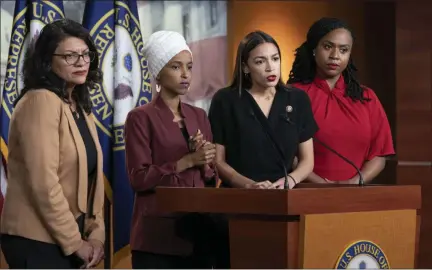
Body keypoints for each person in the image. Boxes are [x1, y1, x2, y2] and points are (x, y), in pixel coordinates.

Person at [0, 19, 105, 268]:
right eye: (70, 56)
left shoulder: (78, 105)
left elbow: (93, 181)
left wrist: (97, 235)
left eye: (85, 54)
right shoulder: (40, 101)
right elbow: (43, 183)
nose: (81, 62)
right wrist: (75, 242)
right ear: (47, 61)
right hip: (37, 240)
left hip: (68, 237)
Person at [124, 30, 220, 269]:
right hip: (158, 238)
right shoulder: (140, 118)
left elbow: (211, 177)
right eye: (176, 67)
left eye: (189, 67)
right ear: (158, 72)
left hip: (199, 233)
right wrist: (186, 161)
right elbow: (139, 179)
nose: (185, 75)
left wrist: (206, 161)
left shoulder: (198, 116)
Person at [288, 17, 395, 184]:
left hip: (355, 197)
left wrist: (354, 182)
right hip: (305, 193)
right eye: (328, 47)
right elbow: (287, 153)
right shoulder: (292, 95)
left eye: (343, 50)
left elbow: (379, 153)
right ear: (314, 49)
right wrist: (320, 185)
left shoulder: (367, 97)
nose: (335, 56)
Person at [208, 30, 317, 190]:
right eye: (260, 62)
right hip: (238, 197)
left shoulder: (297, 99)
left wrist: (290, 181)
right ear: (245, 67)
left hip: (286, 197)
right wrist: (249, 185)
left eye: (275, 59)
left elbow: (307, 161)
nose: (270, 67)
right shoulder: (225, 100)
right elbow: (218, 161)